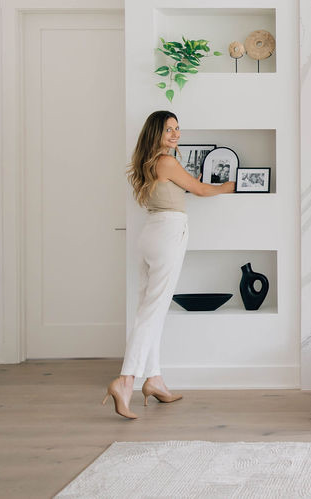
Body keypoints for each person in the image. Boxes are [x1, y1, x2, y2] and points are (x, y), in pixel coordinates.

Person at [102, 110, 235, 419]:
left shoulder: (150, 162)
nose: (175, 134)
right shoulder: (167, 162)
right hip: (168, 234)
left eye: (177, 128)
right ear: (155, 134)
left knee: (149, 311)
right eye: (168, 130)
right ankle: (125, 381)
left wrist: (195, 181)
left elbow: (186, 186)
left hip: (151, 234)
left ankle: (154, 379)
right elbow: (201, 190)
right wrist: (229, 186)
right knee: (152, 312)